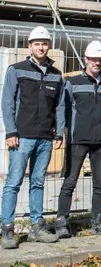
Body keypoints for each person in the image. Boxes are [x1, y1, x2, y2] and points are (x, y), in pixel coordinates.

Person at [1, 26, 63, 249]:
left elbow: (59, 106)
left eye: (44, 43)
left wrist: (58, 133)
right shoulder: (16, 70)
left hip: (45, 138)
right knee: (13, 183)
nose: (41, 47)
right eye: (37, 43)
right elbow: (7, 103)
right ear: (29, 46)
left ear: (48, 46)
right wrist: (10, 131)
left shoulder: (56, 75)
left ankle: (37, 226)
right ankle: (7, 228)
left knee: (38, 182)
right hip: (21, 137)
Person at [54, 40, 101, 239]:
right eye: (93, 59)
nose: (96, 63)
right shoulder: (72, 83)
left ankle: (97, 220)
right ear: (85, 59)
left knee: (100, 182)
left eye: (100, 60)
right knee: (70, 181)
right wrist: (61, 133)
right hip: (77, 140)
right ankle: (62, 221)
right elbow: (62, 108)